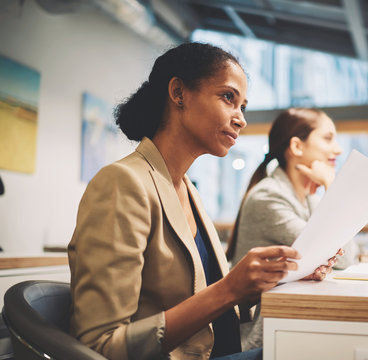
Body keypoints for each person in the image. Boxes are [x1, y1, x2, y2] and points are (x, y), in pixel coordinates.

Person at [68, 43, 335, 360]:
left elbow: (209, 302)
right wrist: (229, 288)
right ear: (179, 93)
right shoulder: (123, 182)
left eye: (243, 107)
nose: (241, 119)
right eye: (228, 98)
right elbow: (102, 345)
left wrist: (282, 275)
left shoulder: (187, 190)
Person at [226, 108, 355, 351]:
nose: (337, 149)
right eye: (328, 138)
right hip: (260, 339)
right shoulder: (268, 197)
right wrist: (331, 183)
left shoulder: (307, 198)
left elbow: (345, 255)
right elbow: (344, 257)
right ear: (296, 147)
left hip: (287, 324)